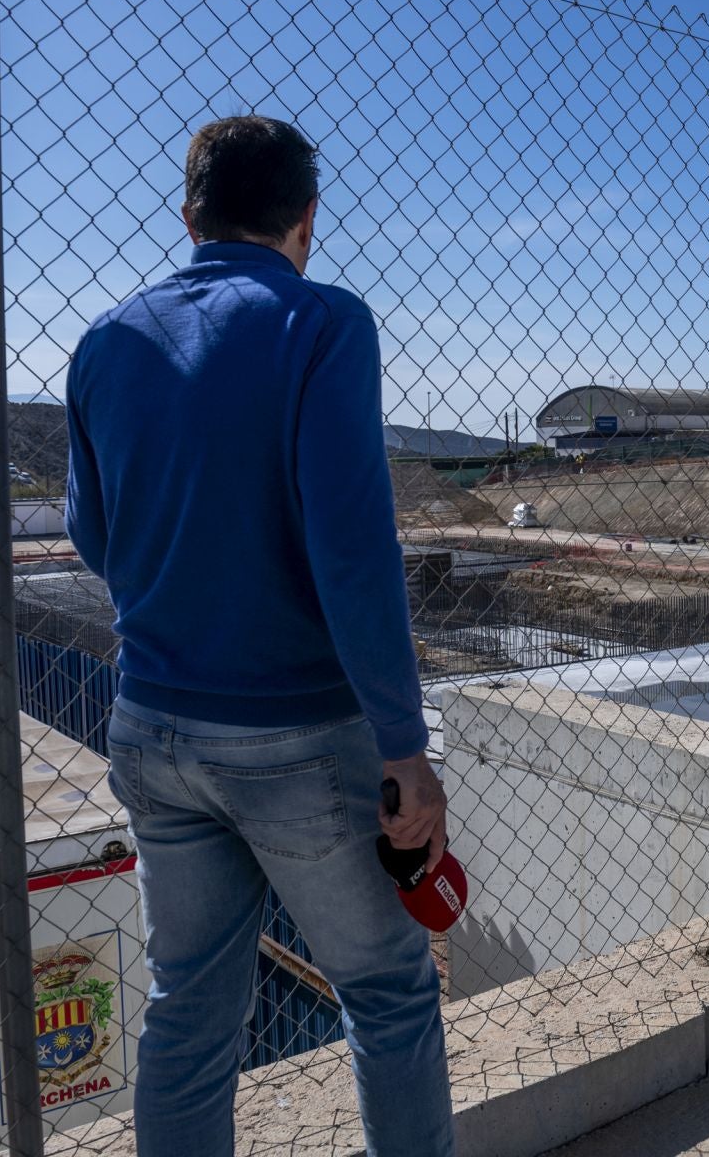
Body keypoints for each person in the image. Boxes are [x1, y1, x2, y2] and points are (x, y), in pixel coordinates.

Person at [66, 116, 454, 1154]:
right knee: (386, 991)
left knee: (188, 1011)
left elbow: (92, 534)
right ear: (308, 221)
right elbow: (353, 545)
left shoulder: (107, 342)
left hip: (152, 724)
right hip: (298, 733)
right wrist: (404, 743)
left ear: (190, 216)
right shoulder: (323, 323)